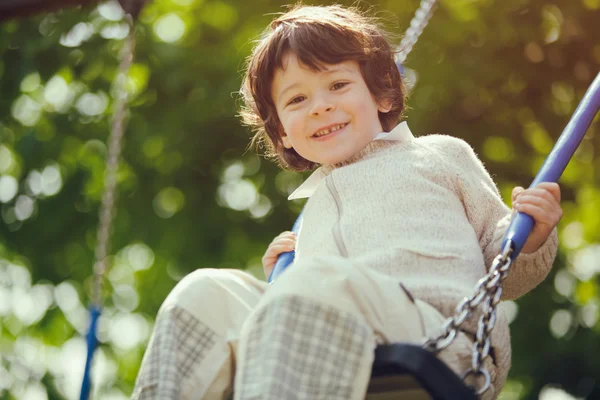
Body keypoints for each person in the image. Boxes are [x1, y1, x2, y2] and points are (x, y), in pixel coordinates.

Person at [131, 4, 562, 400]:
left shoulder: (436, 156)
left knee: (313, 282)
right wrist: (279, 286)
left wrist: (530, 235)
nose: (320, 106)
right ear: (281, 131)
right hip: (329, 340)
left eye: (337, 84)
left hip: (438, 336)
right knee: (206, 293)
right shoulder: (313, 210)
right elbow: (309, 293)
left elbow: (499, 261)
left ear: (383, 96)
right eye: (297, 99)